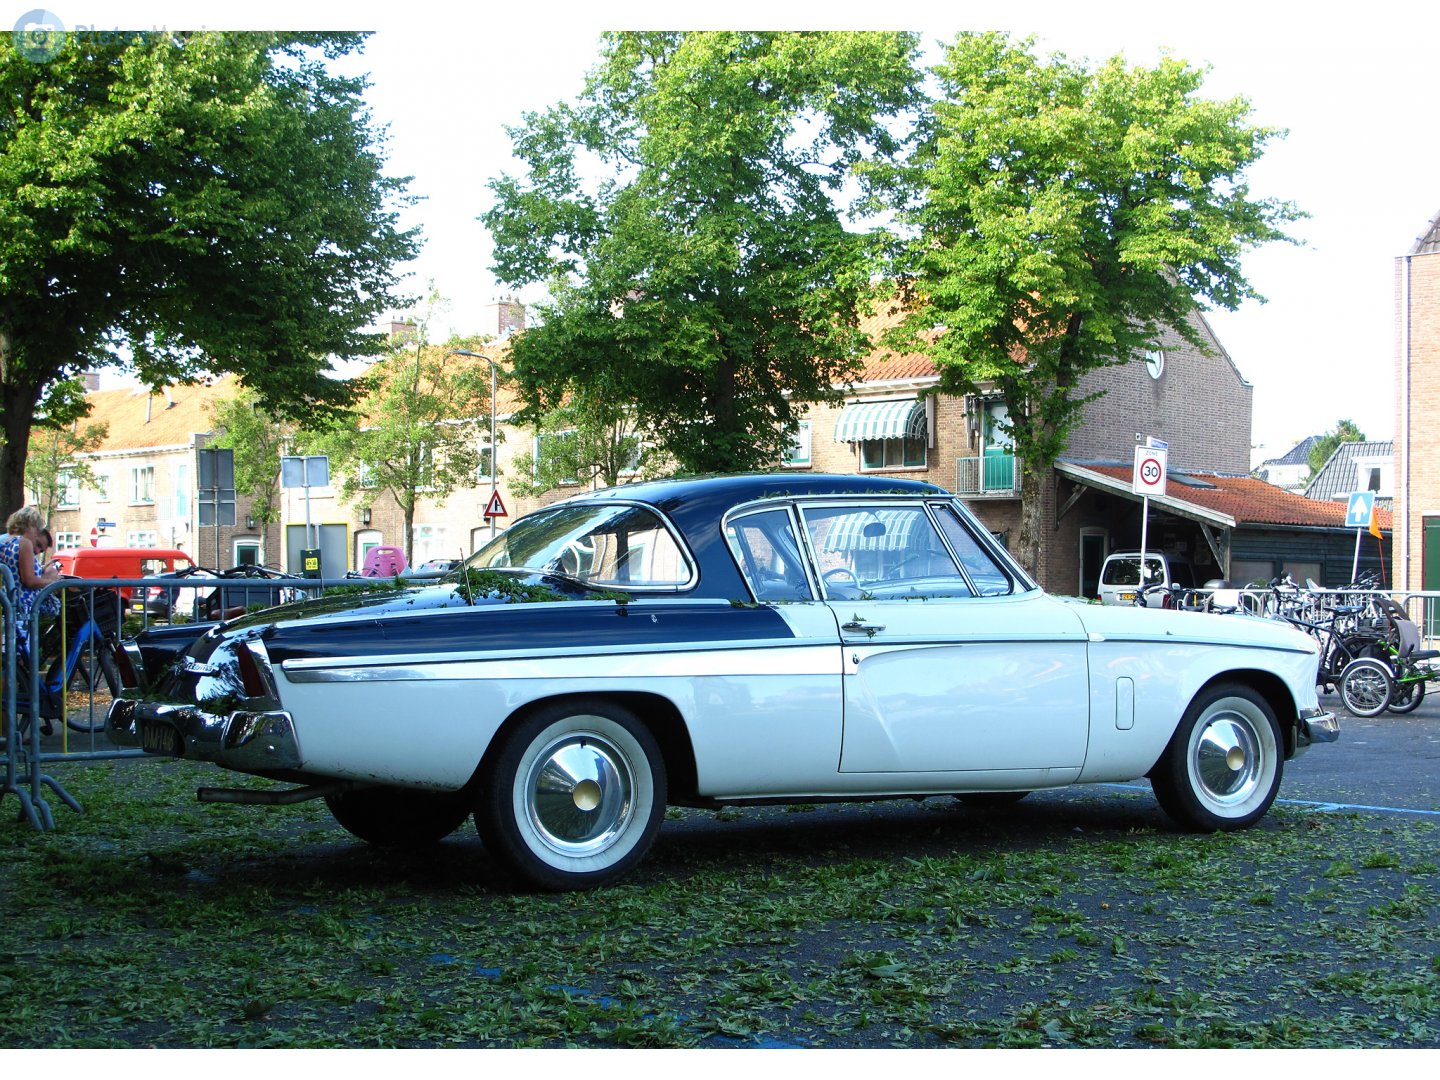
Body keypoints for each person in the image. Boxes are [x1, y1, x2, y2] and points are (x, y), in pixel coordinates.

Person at [1, 506, 63, 646]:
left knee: (11, 652)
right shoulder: (24, 543)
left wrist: (41, 570)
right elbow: (29, 580)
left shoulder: (6, 542)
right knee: (23, 652)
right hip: (23, 608)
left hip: (9, 604)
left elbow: (16, 571)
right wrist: (53, 581)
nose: (36, 534)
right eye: (36, 529)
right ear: (29, 525)